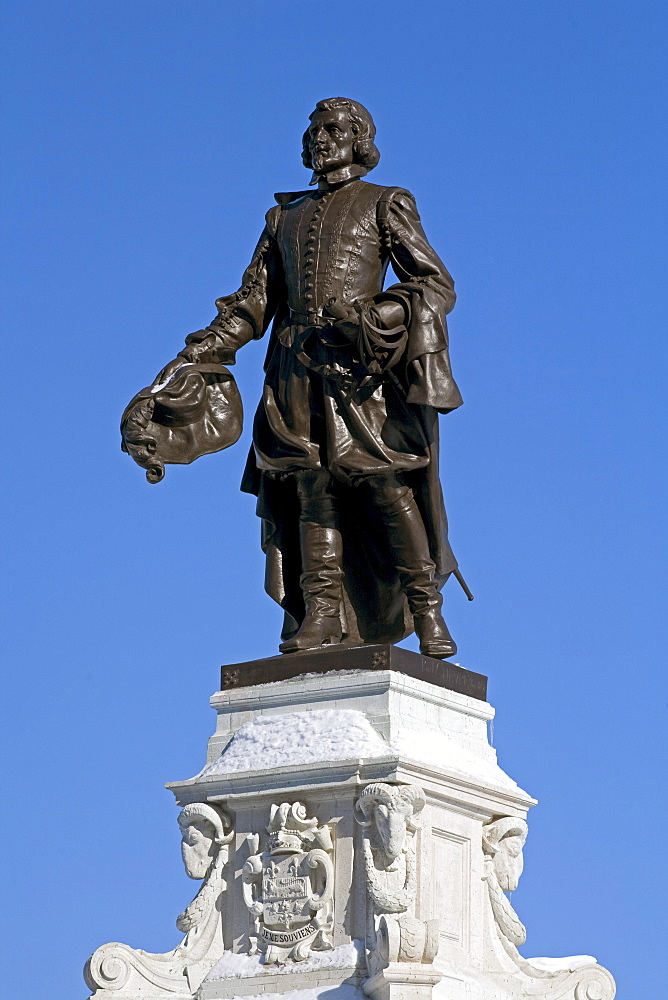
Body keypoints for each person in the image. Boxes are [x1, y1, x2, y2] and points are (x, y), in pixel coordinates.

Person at [157, 98, 464, 658]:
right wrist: (200, 351)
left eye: (331, 130)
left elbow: (436, 285)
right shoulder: (285, 217)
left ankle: (426, 609)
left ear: (358, 137)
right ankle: (321, 614)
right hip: (294, 371)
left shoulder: (384, 202)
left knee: (385, 484)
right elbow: (252, 305)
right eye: (313, 132)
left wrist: (382, 317)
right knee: (309, 487)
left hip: (360, 373)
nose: (319, 140)